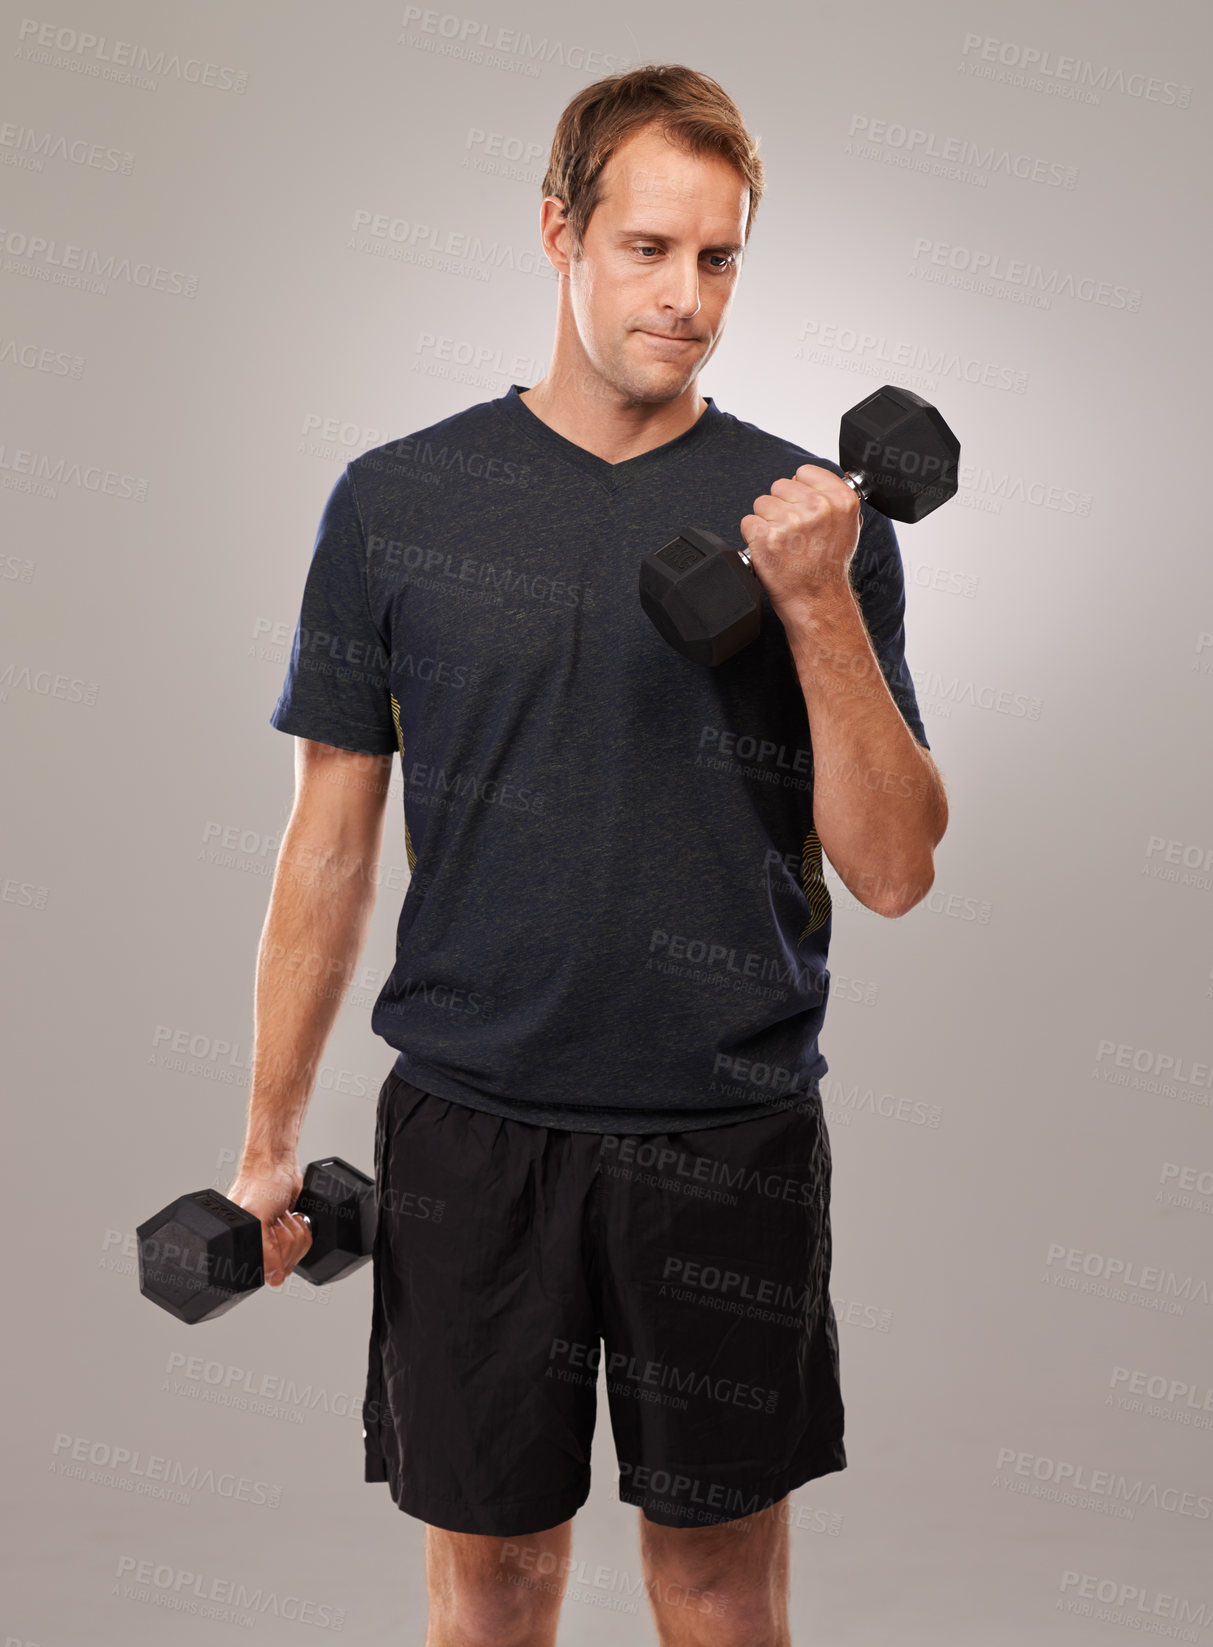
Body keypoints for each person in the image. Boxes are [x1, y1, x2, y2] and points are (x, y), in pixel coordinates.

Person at [229, 62, 948, 1647]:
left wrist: (817, 602)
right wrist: (270, 1140)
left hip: (726, 1133)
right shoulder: (396, 501)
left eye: (718, 259)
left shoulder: (813, 520)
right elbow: (330, 851)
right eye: (646, 249)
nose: (685, 300)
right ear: (557, 232)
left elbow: (891, 869)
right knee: (492, 1573)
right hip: (473, 1130)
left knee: (711, 1578)